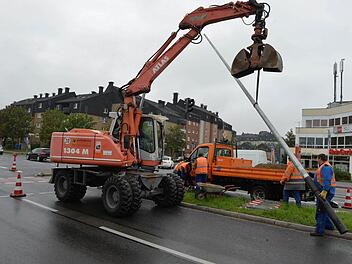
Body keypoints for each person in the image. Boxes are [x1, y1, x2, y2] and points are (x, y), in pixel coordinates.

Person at [310, 153, 336, 237]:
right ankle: (329, 226)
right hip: (324, 191)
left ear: (320, 158)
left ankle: (319, 231)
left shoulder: (326, 167)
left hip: (325, 192)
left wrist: (324, 191)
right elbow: (318, 177)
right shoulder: (323, 166)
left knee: (321, 211)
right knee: (324, 209)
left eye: (317, 158)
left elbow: (327, 180)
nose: (316, 160)